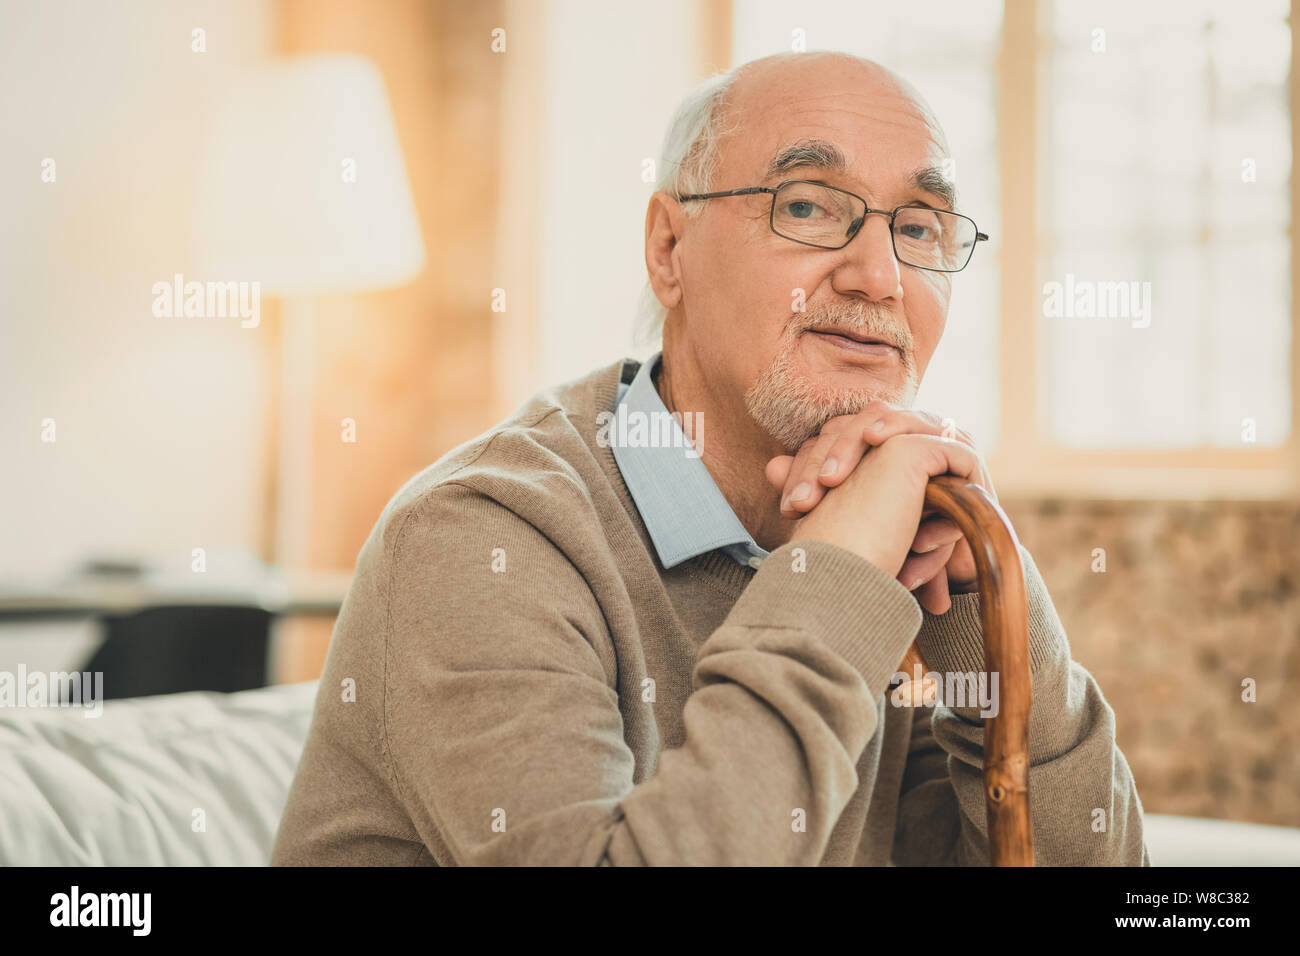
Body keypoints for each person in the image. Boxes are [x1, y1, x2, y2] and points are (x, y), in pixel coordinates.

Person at [272, 50, 1149, 866]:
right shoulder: (474, 541)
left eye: (918, 228)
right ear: (668, 249)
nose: (880, 275)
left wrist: (985, 603)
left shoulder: (901, 543)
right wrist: (833, 584)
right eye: (807, 206)